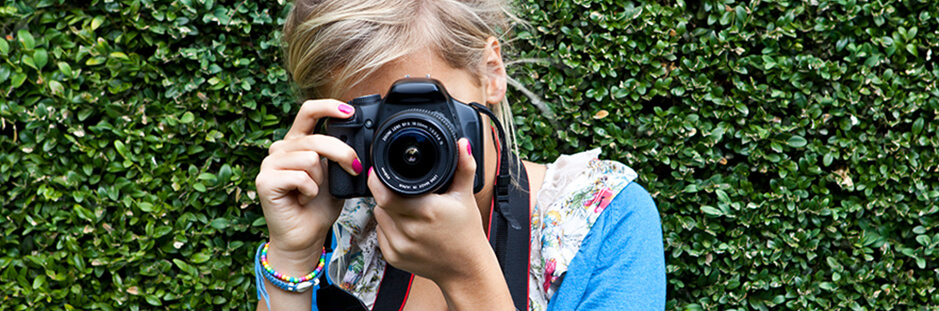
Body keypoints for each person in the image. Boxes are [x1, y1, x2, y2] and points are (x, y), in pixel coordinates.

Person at [253, 0, 666, 310]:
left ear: (492, 72)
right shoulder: (338, 219)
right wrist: (292, 255)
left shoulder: (605, 221)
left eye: (425, 109)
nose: (408, 143)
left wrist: (467, 275)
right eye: (377, 122)